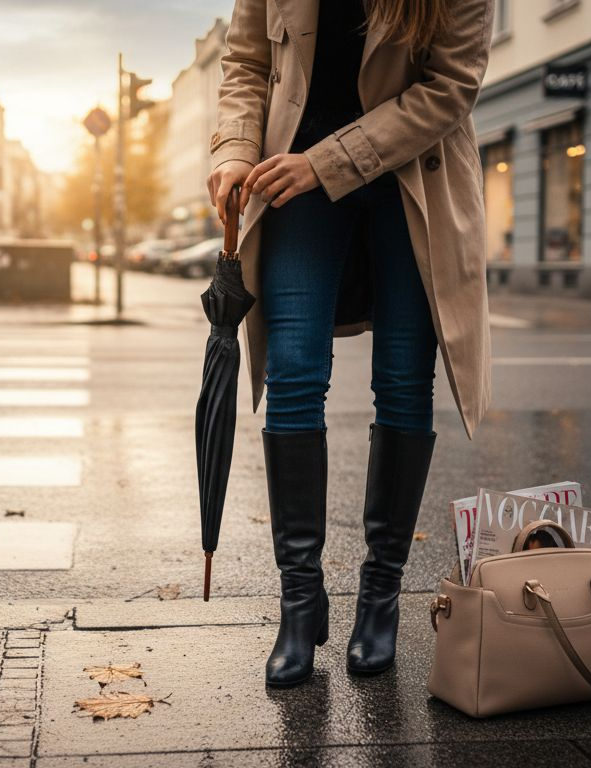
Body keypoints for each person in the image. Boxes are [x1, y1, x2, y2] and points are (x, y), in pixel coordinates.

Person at [206, 0, 495, 687]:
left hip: (413, 180)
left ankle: (380, 597)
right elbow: (245, 60)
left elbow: (450, 86)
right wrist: (236, 150)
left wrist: (325, 163)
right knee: (292, 376)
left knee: (403, 381)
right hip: (293, 182)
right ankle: (300, 603)